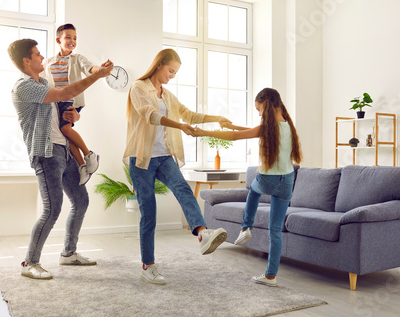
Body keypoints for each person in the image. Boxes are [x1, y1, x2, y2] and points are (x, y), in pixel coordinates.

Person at [8, 38, 114, 280]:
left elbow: (62, 112)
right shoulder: (24, 86)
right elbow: (66, 91)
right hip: (46, 154)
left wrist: (73, 114)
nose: (41, 57)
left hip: (63, 150)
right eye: (36, 54)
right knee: (52, 209)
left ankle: (68, 254)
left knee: (81, 201)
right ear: (26, 61)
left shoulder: (43, 82)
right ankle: (30, 262)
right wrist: (97, 76)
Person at [123, 48, 229, 285]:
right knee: (148, 212)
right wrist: (179, 126)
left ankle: (202, 234)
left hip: (163, 157)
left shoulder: (168, 95)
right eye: (170, 70)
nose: (172, 76)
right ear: (159, 64)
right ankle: (147, 265)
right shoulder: (139, 88)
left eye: (175, 72)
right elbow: (150, 116)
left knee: (183, 189)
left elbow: (189, 115)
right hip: (142, 159)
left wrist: (216, 118)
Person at [193, 87, 303, 287]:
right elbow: (252, 131)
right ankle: (271, 275)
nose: (259, 114)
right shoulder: (288, 125)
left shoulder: (268, 128)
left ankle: (245, 228)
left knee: (252, 190)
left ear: (267, 105)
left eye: (259, 109)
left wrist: (203, 132)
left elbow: (237, 137)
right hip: (287, 181)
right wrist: (232, 125)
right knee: (275, 231)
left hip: (269, 179)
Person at [43, 23, 100, 186]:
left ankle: (89, 156)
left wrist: (100, 70)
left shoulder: (77, 59)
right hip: (58, 102)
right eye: (68, 37)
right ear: (58, 40)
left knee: (65, 129)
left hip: (71, 100)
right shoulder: (49, 62)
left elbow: (90, 68)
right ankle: (82, 166)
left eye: (74, 38)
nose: (72, 41)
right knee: (66, 135)